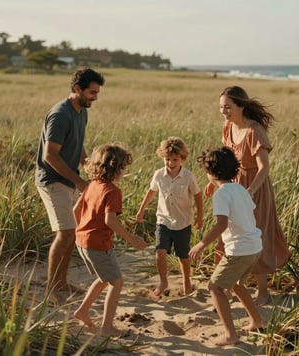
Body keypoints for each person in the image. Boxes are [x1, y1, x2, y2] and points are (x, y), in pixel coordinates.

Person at [206, 86, 291, 305]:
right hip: (232, 184)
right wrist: (211, 181)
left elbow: (264, 167)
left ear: (241, 106)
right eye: (221, 107)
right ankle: (229, 286)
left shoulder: (255, 131)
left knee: (256, 234)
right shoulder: (227, 127)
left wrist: (251, 190)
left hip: (256, 188)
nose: (224, 111)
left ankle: (262, 291)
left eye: (228, 107)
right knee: (230, 233)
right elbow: (225, 159)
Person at [35, 68, 105, 302]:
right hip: (52, 181)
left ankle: (61, 283)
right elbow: (50, 156)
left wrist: (87, 166)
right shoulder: (60, 114)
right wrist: (79, 182)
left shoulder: (82, 111)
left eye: (97, 92)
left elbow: (78, 143)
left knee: (71, 233)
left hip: (69, 179)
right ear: (77, 89)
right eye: (92, 92)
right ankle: (50, 291)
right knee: (65, 233)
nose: (95, 97)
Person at [189, 146, 265, 346]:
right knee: (237, 284)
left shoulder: (221, 195)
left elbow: (221, 224)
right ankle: (257, 320)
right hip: (254, 246)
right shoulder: (241, 189)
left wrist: (201, 244)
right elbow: (255, 216)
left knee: (215, 286)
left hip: (239, 249)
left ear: (211, 173)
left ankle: (231, 334)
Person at [73, 143, 147, 337]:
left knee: (104, 277)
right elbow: (110, 220)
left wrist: (83, 230)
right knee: (116, 282)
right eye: (123, 167)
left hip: (82, 241)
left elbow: (76, 210)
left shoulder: (91, 186)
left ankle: (82, 311)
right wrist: (132, 239)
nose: (123, 171)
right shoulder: (113, 191)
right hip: (98, 244)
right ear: (116, 169)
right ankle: (107, 327)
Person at [136, 137, 203, 296]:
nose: (171, 163)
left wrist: (200, 217)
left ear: (182, 159)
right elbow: (152, 191)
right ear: (162, 157)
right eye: (167, 159)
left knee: (183, 256)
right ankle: (163, 281)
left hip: (182, 222)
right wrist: (141, 209)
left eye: (175, 159)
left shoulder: (188, 177)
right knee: (160, 251)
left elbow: (198, 196)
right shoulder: (158, 174)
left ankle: (187, 280)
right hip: (163, 220)